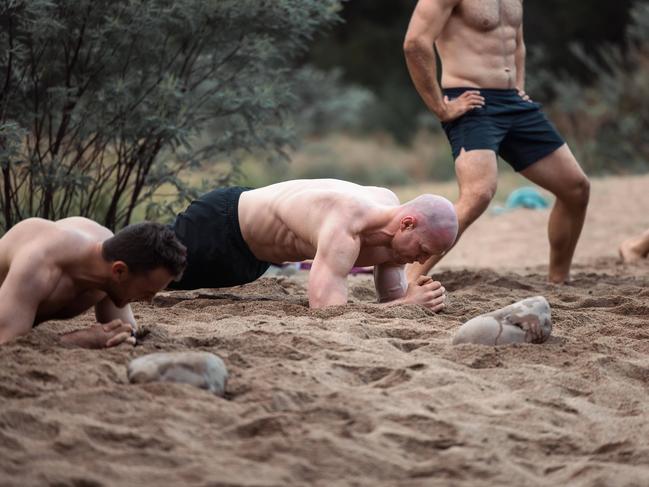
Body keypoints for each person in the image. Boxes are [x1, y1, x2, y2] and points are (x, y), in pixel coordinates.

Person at [403, 0, 590, 284]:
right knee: (477, 195)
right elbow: (415, 43)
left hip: (513, 102)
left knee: (576, 188)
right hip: (471, 100)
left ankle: (559, 281)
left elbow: (517, 42)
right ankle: (407, 281)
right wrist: (440, 107)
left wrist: (519, 87)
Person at [169, 179, 458, 311]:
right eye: (422, 250)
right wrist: (407, 303)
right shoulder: (346, 222)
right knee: (140, 262)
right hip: (221, 226)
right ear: (408, 223)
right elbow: (327, 310)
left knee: (166, 282)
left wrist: (413, 303)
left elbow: (390, 302)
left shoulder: (394, 237)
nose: (420, 261)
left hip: (251, 261)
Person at [0, 218, 187, 347]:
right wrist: (81, 339)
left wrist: (122, 337)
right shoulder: (38, 265)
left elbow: (124, 331)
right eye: (148, 292)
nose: (148, 301)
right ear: (119, 271)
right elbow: (6, 343)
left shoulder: (108, 266)